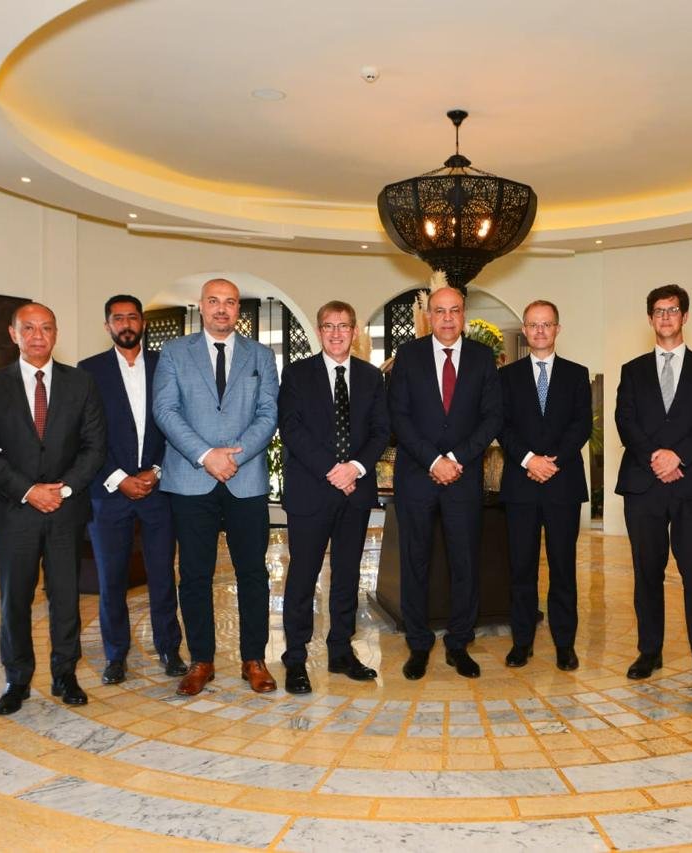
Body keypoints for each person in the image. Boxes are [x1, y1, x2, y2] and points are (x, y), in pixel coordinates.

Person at [0, 302, 106, 714]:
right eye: (28, 328)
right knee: (15, 600)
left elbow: (94, 446)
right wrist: (29, 491)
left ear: (56, 334)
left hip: (65, 510)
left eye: (46, 327)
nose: (37, 336)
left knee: (66, 598)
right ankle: (17, 679)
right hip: (14, 512)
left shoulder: (80, 383)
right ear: (13, 334)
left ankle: (65, 674)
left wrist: (62, 489)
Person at [153, 278, 279, 695]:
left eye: (229, 302)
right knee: (194, 575)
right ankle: (201, 660)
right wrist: (206, 455)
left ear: (238, 309)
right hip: (191, 479)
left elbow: (268, 413)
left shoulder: (261, 355)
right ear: (201, 306)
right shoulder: (174, 352)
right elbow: (165, 410)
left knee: (253, 573)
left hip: (246, 478)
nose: (222, 309)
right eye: (214, 301)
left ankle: (253, 659)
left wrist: (233, 457)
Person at [388, 285, 503, 680]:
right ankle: (418, 644)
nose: (448, 318)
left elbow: (492, 417)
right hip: (417, 476)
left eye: (455, 310)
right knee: (415, 561)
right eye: (440, 311)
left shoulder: (482, 357)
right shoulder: (408, 355)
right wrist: (434, 460)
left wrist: (456, 459)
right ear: (429, 317)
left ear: (464, 314)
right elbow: (398, 416)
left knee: (465, 562)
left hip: (463, 476)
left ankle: (459, 643)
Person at [615, 284, 692, 684]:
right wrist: (656, 458)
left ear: (685, 316)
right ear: (650, 319)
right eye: (659, 311)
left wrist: (677, 455)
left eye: (673, 310)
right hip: (643, 486)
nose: (666, 317)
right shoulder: (632, 370)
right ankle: (649, 651)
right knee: (647, 572)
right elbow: (625, 420)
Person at [277, 300, 389, 693]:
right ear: (319, 331)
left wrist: (354, 468)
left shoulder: (371, 377)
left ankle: (341, 650)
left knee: (347, 574)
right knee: (302, 576)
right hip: (311, 491)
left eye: (343, 326)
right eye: (329, 326)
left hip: (354, 493)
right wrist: (334, 470)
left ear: (355, 332)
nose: (336, 333)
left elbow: (381, 430)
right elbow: (291, 429)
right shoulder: (296, 374)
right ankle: (295, 658)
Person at [78, 295, 186, 686]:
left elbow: (176, 422)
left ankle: (169, 649)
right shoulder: (89, 371)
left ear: (143, 323)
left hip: (159, 489)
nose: (126, 324)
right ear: (107, 325)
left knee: (162, 575)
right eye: (118, 318)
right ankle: (115, 655)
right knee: (111, 580)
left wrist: (156, 471)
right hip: (108, 491)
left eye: (132, 317)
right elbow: (86, 433)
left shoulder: (164, 365)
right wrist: (119, 477)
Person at [498, 299, 590, 671]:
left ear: (557, 329)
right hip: (521, 484)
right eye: (533, 325)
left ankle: (564, 645)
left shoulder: (576, 374)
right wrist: (528, 460)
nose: (540, 330)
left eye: (546, 324)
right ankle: (521, 643)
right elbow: (501, 425)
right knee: (521, 568)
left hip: (562, 483)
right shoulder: (506, 376)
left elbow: (581, 425)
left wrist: (552, 462)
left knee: (563, 568)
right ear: (524, 330)